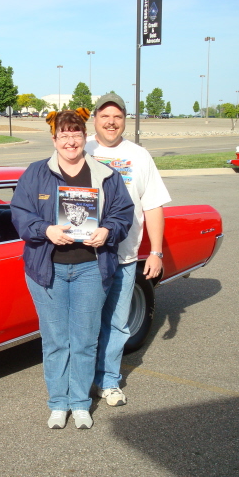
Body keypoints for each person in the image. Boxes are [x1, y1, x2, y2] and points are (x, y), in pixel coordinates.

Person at [10, 108, 134, 429]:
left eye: (75, 133)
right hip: (47, 270)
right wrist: (45, 230)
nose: (70, 140)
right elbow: (20, 215)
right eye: (63, 135)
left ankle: (79, 402)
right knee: (54, 340)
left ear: (84, 137)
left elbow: (122, 214)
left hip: (91, 269)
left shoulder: (106, 175)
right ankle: (57, 403)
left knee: (84, 339)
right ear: (54, 139)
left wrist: (107, 231)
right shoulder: (36, 173)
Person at [84, 93, 171, 407]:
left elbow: (153, 206)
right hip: (84, 258)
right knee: (84, 323)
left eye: (118, 117)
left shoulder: (139, 155)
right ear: (95, 119)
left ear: (125, 120)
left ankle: (108, 381)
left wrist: (157, 252)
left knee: (117, 323)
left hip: (124, 257)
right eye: (105, 116)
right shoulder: (82, 148)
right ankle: (79, 382)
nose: (111, 122)